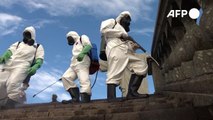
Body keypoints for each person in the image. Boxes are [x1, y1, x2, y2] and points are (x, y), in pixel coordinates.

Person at [100, 11, 149, 100]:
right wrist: (121, 34)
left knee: (141, 66)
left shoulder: (123, 29)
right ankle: (111, 98)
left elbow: (125, 42)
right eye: (127, 18)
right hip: (115, 49)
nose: (128, 22)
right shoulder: (112, 22)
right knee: (114, 73)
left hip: (126, 52)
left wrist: (133, 47)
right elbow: (104, 30)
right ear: (122, 17)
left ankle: (132, 93)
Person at [0, 26, 44, 108]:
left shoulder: (37, 46)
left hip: (23, 65)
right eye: (25, 34)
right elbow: (10, 50)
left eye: (28, 34)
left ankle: (12, 102)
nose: (26, 36)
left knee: (13, 83)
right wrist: (5, 56)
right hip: (9, 63)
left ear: (32, 35)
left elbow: (39, 58)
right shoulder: (18, 43)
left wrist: (36, 66)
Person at [61, 31, 92, 103]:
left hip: (83, 61)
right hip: (74, 64)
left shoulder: (82, 37)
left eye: (69, 38)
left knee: (83, 79)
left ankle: (85, 98)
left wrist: (83, 53)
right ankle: (75, 98)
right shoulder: (75, 44)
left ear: (73, 35)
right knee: (65, 77)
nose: (68, 40)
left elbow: (88, 45)